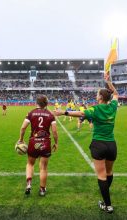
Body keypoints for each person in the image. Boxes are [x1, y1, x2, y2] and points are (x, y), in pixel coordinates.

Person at [54, 75, 118, 214]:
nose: (96, 95)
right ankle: (106, 195)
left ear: (101, 97)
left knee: (101, 175)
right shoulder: (113, 107)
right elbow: (116, 94)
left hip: (99, 145)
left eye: (97, 94)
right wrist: (109, 82)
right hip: (112, 145)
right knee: (109, 172)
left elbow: (79, 113)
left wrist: (62, 112)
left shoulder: (94, 110)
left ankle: (107, 205)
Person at [18, 95, 58, 196]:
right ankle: (42, 190)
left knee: (30, 164)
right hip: (45, 143)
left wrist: (21, 140)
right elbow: (54, 131)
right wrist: (56, 143)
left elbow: (23, 128)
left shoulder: (31, 113)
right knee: (43, 168)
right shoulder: (50, 114)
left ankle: (28, 184)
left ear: (37, 102)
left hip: (33, 142)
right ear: (46, 103)